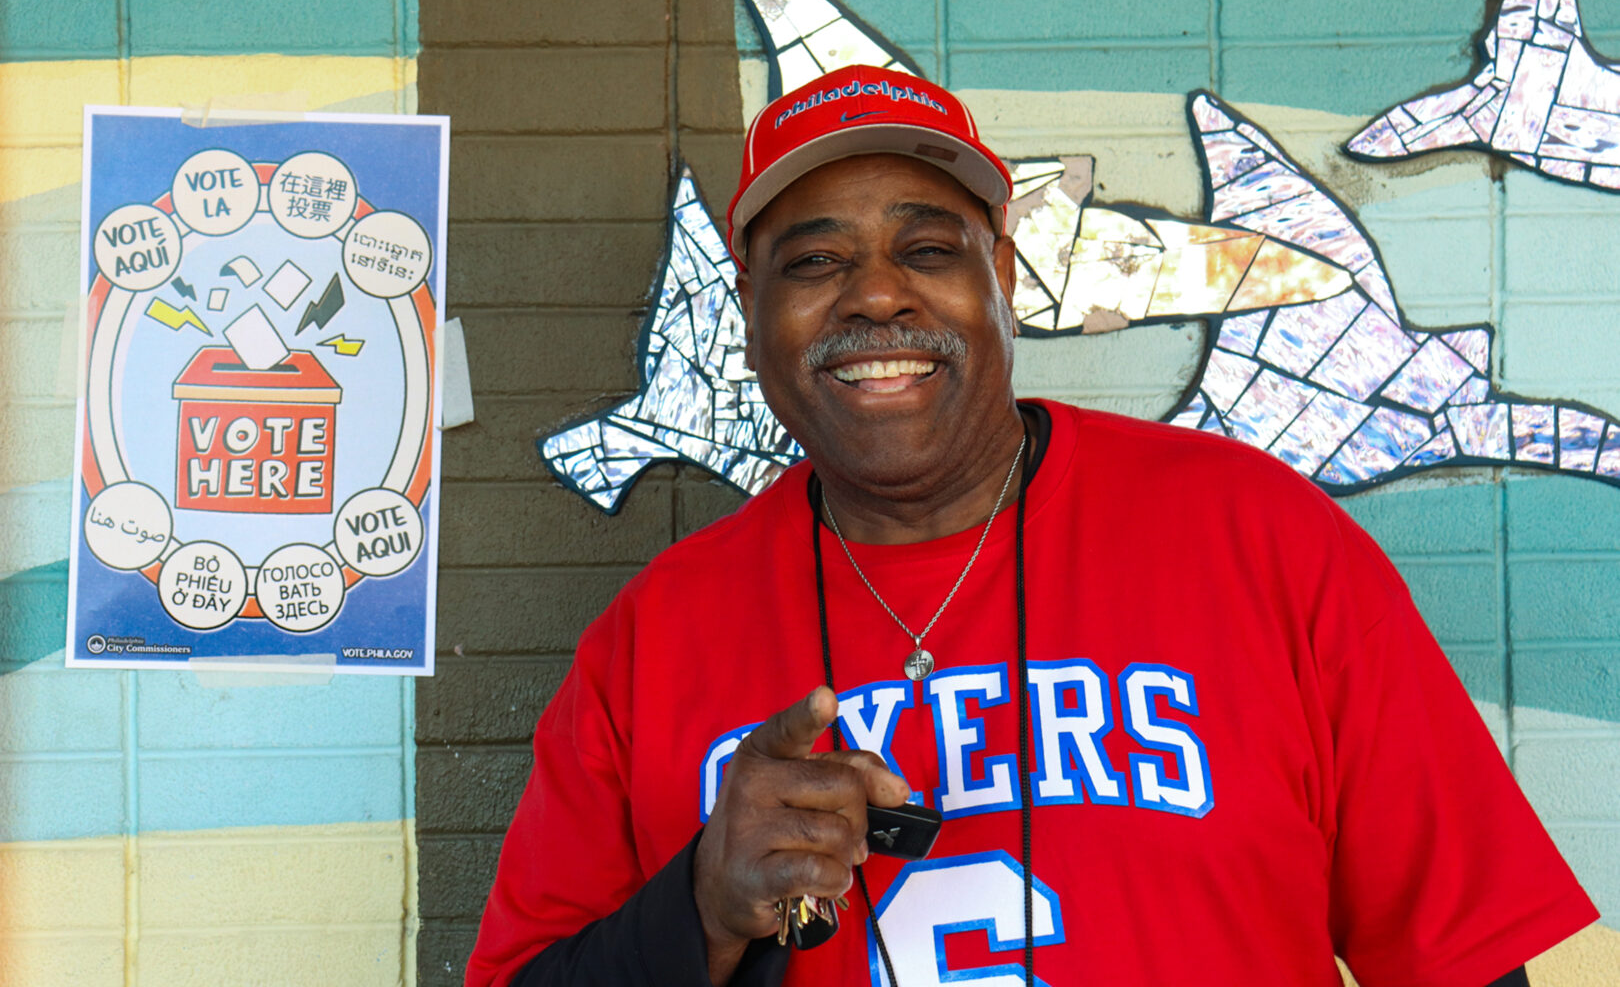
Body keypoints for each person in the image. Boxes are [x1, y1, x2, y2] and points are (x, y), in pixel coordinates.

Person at [465, 66, 1597, 987]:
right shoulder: (652, 640)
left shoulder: (1261, 538)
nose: (876, 295)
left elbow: (1458, 960)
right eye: (813, 262)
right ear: (750, 312)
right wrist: (704, 905)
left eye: (928, 250)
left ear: (1002, 277)